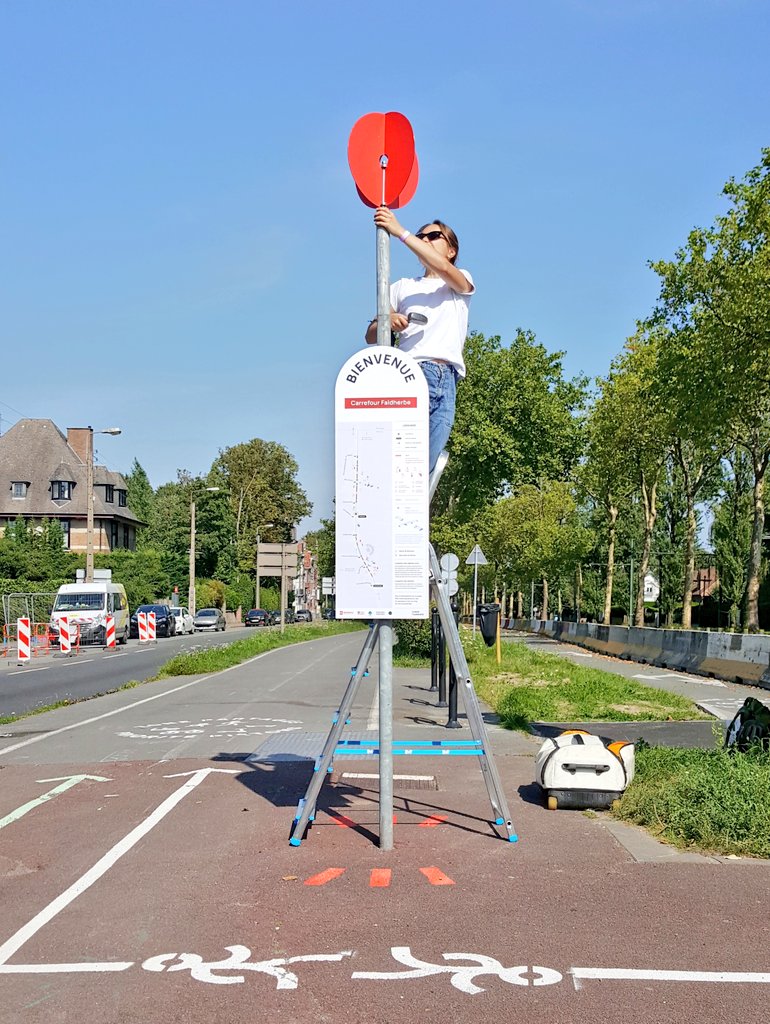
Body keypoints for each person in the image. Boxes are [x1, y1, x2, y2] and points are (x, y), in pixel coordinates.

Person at [365, 206, 475, 473]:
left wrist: (401, 232)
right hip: (412, 373)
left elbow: (447, 271)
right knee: (405, 457)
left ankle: (410, 513)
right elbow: (370, 334)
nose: (425, 240)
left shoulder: (460, 283)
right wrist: (386, 321)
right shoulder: (402, 287)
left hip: (448, 379)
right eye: (421, 235)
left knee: (425, 464)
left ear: (451, 250)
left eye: (434, 235)